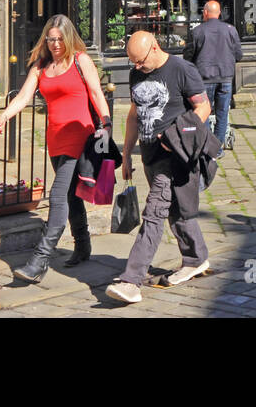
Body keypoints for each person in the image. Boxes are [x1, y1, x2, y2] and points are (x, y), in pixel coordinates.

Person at [0, 14, 111, 283]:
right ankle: (83, 246)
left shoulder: (81, 60)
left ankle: (39, 261)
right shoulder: (41, 65)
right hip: (55, 138)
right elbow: (24, 96)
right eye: (51, 39)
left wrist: (106, 122)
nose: (55, 44)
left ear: (68, 38)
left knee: (57, 196)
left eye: (60, 39)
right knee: (71, 194)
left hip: (80, 135)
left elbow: (96, 92)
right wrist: (5, 115)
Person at [106, 31, 214, 305]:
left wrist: (176, 136)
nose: (137, 66)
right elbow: (134, 115)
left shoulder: (182, 69)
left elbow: (203, 108)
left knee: (154, 213)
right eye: (133, 62)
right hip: (149, 155)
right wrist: (127, 154)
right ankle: (196, 258)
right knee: (176, 208)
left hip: (174, 156)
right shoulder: (137, 74)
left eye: (140, 61)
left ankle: (131, 281)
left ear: (154, 47)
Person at [185, 0, 243, 152]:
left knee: (203, 112)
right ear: (219, 13)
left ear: (205, 13)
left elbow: (188, 56)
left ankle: (206, 145)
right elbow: (239, 54)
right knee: (222, 114)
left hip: (204, 78)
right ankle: (216, 148)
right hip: (225, 77)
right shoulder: (231, 30)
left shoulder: (197, 31)